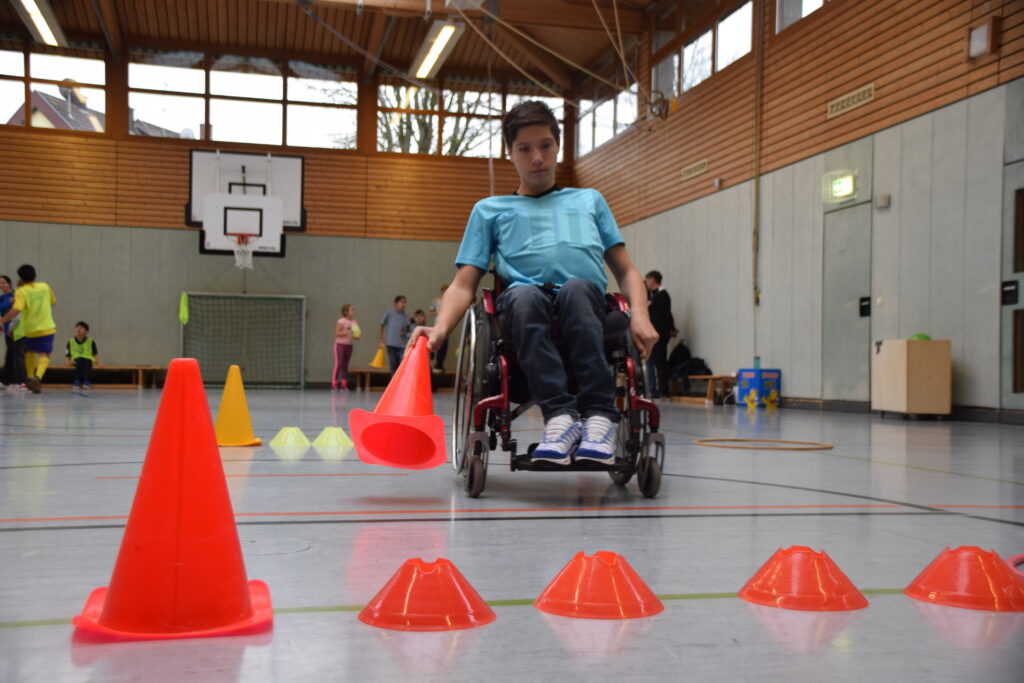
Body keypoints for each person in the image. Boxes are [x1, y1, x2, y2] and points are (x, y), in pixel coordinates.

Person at [410, 100, 658, 465]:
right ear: (509, 152)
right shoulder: (489, 210)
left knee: (576, 287)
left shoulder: (589, 200)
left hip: (586, 306)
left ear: (558, 146)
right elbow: (463, 284)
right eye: (525, 149)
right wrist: (441, 329)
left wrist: (640, 314)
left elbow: (626, 271)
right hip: (523, 311)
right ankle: (560, 418)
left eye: (545, 145)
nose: (537, 157)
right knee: (523, 295)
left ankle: (599, 417)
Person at [0, 264, 56, 394]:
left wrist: (2, 320)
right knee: (44, 354)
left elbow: (17, 309)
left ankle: (29, 378)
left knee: (29, 352)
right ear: (34, 274)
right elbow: (53, 302)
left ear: (20, 278)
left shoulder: (21, 291)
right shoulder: (45, 286)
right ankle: (38, 377)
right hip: (47, 327)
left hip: (30, 329)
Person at [645, 270, 677, 398]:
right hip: (653, 332)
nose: (646, 283)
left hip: (661, 332)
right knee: (654, 361)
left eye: (647, 280)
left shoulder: (662, 295)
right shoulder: (652, 296)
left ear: (653, 280)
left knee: (661, 361)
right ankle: (657, 388)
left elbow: (666, 314)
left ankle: (664, 389)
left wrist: (671, 328)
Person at [0, 275, 26, 390]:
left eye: (4, 282)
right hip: (7, 330)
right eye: (0, 283)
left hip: (18, 329)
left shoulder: (16, 295)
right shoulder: (1, 298)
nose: (2, 285)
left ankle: (20, 381)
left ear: (9, 284)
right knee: (9, 355)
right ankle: (7, 381)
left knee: (17, 356)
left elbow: (19, 311)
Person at [378, 295, 410, 377]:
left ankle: (401, 385)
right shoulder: (389, 313)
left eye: (405, 302)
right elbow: (382, 324)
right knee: (393, 365)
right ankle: (393, 385)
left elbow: (408, 328)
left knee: (401, 365)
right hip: (391, 343)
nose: (404, 304)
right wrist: (380, 338)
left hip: (402, 344)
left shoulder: (406, 316)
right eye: (402, 302)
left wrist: (404, 331)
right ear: (396, 303)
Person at [65, 321, 100, 393]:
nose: (79, 329)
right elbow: (67, 354)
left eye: (81, 328)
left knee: (86, 361)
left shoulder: (90, 341)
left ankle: (86, 382)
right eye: (77, 327)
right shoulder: (71, 341)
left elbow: (94, 354)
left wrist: (98, 363)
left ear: (86, 331)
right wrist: (68, 362)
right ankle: (77, 381)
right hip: (76, 359)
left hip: (88, 359)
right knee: (80, 361)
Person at [332, 304, 359, 391]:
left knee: (345, 365)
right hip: (340, 345)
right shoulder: (341, 321)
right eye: (352, 309)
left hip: (349, 345)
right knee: (339, 363)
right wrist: (348, 331)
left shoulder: (354, 322)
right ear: (346, 312)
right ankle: (334, 383)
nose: (354, 311)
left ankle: (344, 384)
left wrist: (356, 334)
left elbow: (357, 336)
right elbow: (337, 333)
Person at [428, 285, 449, 372]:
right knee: (435, 346)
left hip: (446, 327)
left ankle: (439, 365)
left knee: (444, 348)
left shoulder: (450, 302)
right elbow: (430, 313)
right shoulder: (436, 301)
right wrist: (439, 312)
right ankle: (432, 365)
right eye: (444, 291)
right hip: (437, 326)